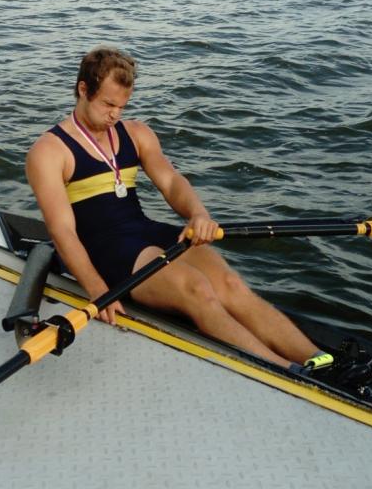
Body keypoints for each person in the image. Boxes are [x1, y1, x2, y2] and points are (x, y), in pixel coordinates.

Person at [25, 47, 331, 373]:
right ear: (83, 90)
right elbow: (62, 230)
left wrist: (198, 214)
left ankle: (321, 360)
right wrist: (97, 290)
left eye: (122, 106)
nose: (115, 115)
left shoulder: (136, 133)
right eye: (108, 104)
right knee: (197, 289)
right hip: (104, 250)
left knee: (231, 284)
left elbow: (171, 182)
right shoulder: (49, 151)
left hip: (143, 230)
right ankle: (288, 371)